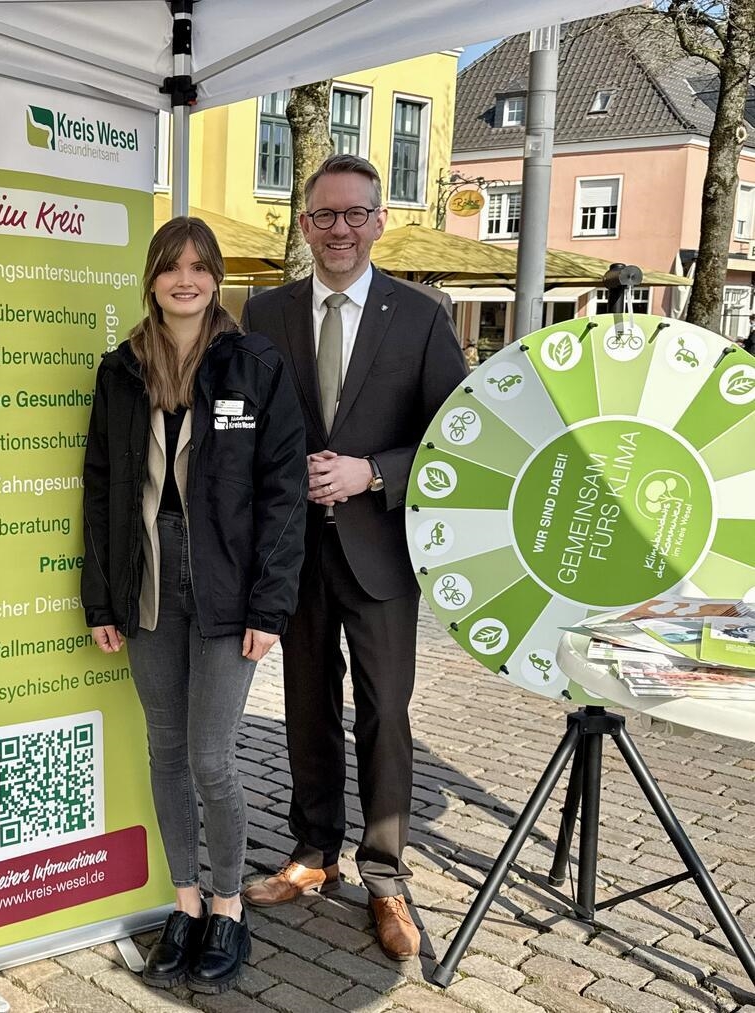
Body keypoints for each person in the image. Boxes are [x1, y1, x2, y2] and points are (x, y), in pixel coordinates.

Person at [239, 154, 467, 961]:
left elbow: (459, 434)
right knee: (306, 704)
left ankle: (385, 873)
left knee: (385, 713)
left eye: (355, 214)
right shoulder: (263, 314)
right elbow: (246, 423)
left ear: (378, 221)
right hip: (293, 553)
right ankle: (311, 853)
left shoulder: (422, 314)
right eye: (324, 216)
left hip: (379, 553)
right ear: (305, 225)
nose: (340, 229)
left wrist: (372, 472)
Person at [82, 217, 308, 993]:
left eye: (200, 267)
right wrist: (100, 599)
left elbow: (284, 494)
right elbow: (103, 490)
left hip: (227, 584)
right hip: (146, 580)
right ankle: (184, 902)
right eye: (172, 266)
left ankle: (229, 905)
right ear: (150, 277)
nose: (186, 279)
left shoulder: (253, 364)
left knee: (212, 756)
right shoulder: (121, 369)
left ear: (215, 278)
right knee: (167, 752)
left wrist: (269, 606)